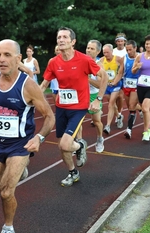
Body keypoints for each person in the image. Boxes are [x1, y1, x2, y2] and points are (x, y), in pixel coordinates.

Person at [0, 39, 55, 233]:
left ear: (18, 59)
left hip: (20, 146)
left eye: (7, 55)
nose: (1, 59)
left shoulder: (28, 85)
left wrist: (39, 138)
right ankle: (18, 172)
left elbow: (49, 117)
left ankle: (8, 228)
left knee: (6, 192)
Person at [40, 27, 108, 187]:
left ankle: (80, 145)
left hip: (78, 107)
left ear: (73, 42)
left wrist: (98, 99)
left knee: (64, 144)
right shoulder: (53, 62)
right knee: (63, 148)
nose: (61, 40)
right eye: (59, 37)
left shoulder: (84, 60)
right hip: (62, 107)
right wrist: (32, 97)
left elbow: (104, 77)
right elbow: (44, 84)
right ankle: (73, 172)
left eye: (65, 37)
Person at [99, 44, 124, 135]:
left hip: (116, 84)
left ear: (112, 51)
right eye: (104, 52)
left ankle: (108, 126)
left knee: (111, 103)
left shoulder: (118, 59)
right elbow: (100, 74)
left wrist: (115, 82)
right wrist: (103, 82)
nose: (106, 54)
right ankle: (119, 116)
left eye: (107, 52)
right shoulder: (101, 60)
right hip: (106, 85)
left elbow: (121, 73)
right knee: (112, 104)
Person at [86, 40, 105, 152]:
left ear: (98, 52)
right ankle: (79, 141)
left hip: (93, 95)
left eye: (92, 49)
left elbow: (99, 84)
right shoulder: (82, 61)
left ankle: (99, 138)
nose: (89, 50)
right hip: (81, 95)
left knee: (96, 121)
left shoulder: (99, 65)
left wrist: (87, 78)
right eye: (88, 48)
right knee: (78, 119)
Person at [121, 40, 141, 139]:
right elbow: (120, 72)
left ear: (135, 48)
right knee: (130, 107)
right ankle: (140, 109)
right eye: (127, 50)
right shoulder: (124, 59)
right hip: (126, 85)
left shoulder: (141, 57)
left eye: (130, 49)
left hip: (137, 86)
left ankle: (129, 130)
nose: (128, 52)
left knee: (132, 106)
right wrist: (114, 82)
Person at [113, 33, 128, 129]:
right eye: (118, 41)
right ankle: (117, 113)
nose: (120, 43)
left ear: (124, 42)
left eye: (121, 41)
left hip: (126, 76)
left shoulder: (127, 50)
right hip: (115, 76)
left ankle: (119, 113)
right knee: (114, 98)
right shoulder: (113, 51)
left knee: (121, 96)